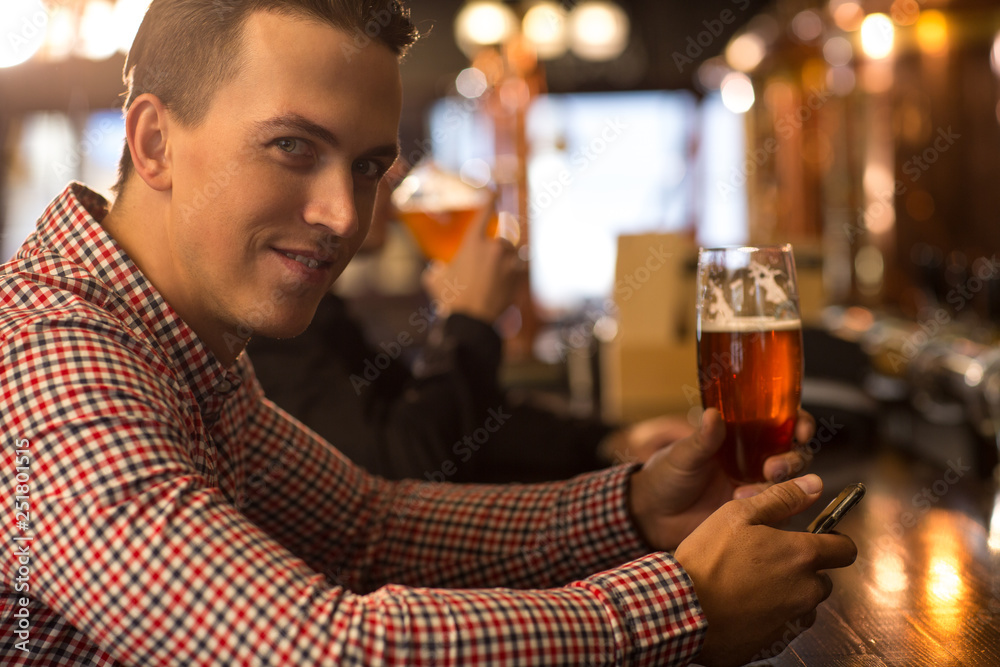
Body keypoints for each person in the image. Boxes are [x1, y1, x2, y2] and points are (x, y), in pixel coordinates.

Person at [0, 1, 856, 665]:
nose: (344, 216)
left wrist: (638, 506)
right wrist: (685, 606)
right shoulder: (50, 358)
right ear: (155, 142)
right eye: (293, 145)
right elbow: (317, 648)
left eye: (369, 166)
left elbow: (374, 527)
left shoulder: (173, 346)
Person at [247, 163, 695, 483]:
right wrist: (470, 319)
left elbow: (466, 428)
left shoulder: (323, 316)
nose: (395, 172)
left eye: (380, 158)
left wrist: (612, 442)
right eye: (367, 163)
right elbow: (402, 474)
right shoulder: (266, 327)